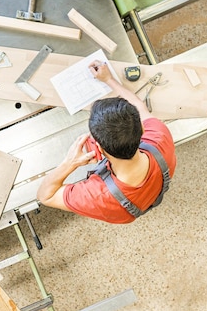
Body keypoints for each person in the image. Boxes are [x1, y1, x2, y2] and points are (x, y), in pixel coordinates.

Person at [36, 60, 177, 223]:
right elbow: (138, 106)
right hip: (153, 187)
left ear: (97, 147)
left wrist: (70, 163)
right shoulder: (160, 136)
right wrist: (109, 80)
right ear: (143, 130)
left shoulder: (98, 196)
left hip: (122, 210)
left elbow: (45, 196)